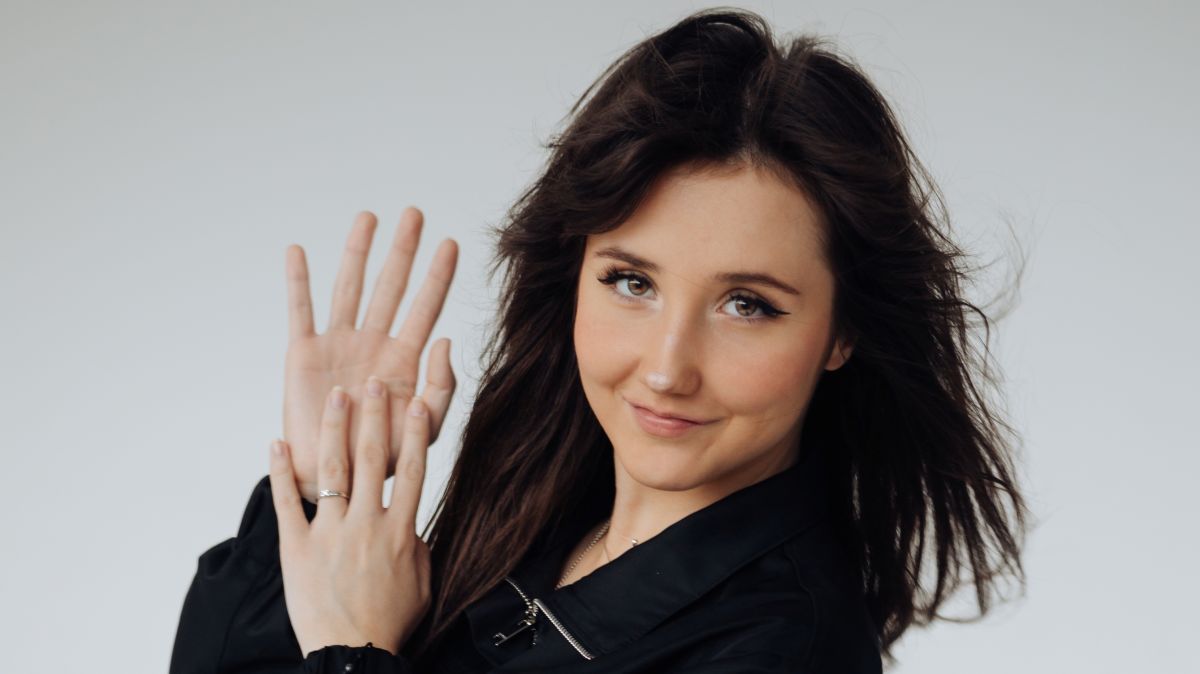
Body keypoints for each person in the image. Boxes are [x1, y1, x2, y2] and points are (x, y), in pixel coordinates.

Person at [170, 8, 1030, 673]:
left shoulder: (782, 647)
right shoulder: (543, 521)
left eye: (747, 305)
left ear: (843, 331)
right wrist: (324, 487)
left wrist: (356, 655)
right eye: (632, 283)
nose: (666, 367)